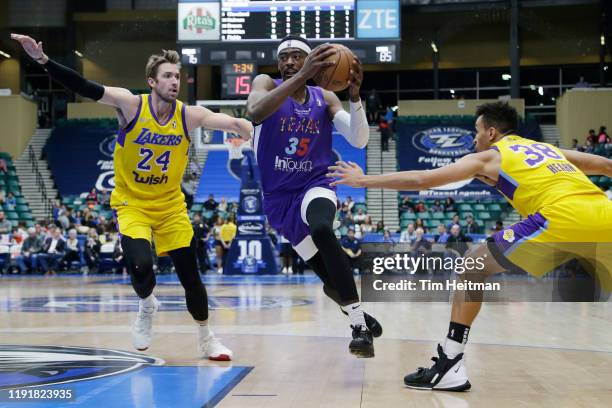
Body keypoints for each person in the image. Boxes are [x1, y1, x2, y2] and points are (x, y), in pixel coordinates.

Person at [328, 101, 612, 391]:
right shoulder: (547, 149)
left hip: (562, 215)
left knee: (471, 269)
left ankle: (450, 363)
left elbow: (422, 179)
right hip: (605, 212)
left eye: (476, 131)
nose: (474, 138)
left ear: (491, 132)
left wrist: (364, 180)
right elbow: (605, 165)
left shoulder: (492, 156)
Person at [12, 33, 253, 360]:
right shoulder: (130, 104)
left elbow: (225, 121)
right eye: (167, 76)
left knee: (191, 276)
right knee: (140, 267)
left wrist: (246, 127)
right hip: (132, 204)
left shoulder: (188, 115)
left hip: (170, 207)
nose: (174, 82)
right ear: (151, 81)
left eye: (177, 76)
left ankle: (206, 337)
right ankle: (146, 305)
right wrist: (42, 61)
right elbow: (85, 86)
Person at [246, 35, 382, 357]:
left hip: (315, 182)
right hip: (279, 198)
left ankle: (358, 327)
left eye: (298, 57)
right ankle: (359, 312)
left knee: (322, 229)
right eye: (285, 58)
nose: (290, 62)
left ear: (315, 63)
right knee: (329, 280)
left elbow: (359, 140)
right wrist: (301, 76)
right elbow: (254, 112)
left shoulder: (325, 97)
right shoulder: (265, 83)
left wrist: (354, 96)